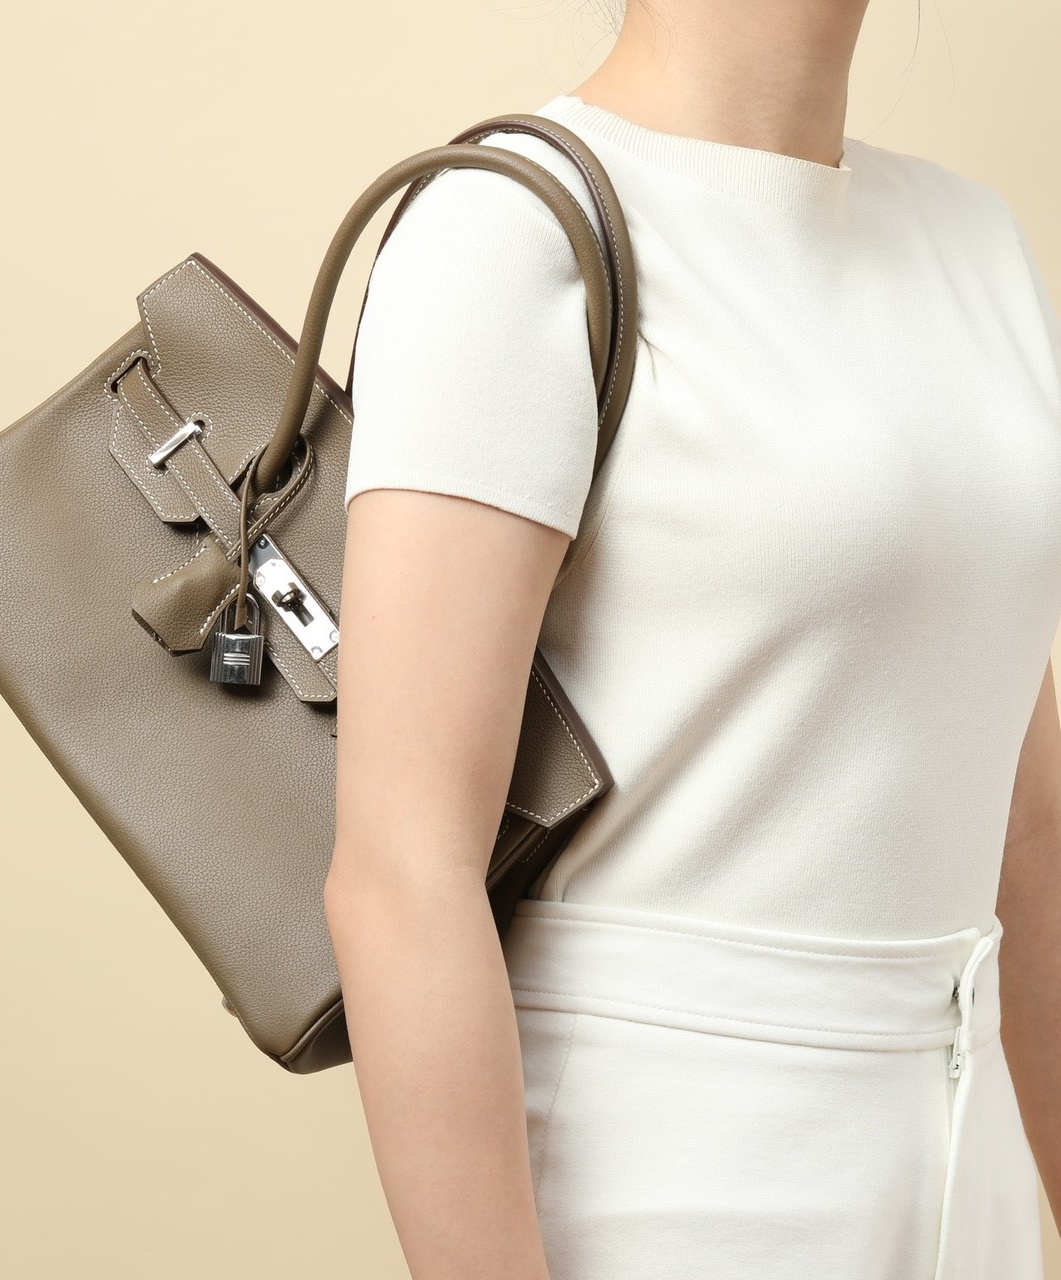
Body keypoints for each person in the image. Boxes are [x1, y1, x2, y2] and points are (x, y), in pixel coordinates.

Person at [322, 1, 1061, 1276]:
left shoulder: (971, 241)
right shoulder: (509, 228)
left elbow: (1026, 827)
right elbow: (401, 873)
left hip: (964, 1165)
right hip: (672, 1182)